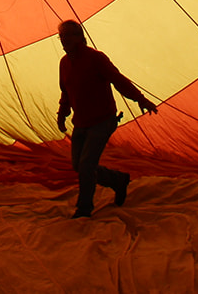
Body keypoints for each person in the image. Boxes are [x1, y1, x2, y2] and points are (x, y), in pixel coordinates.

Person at [55, 19, 157, 218]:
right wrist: (61, 114)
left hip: (102, 120)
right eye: (61, 36)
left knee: (86, 166)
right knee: (80, 166)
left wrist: (141, 100)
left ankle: (84, 210)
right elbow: (65, 91)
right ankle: (118, 180)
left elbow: (118, 81)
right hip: (81, 123)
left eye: (67, 35)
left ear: (79, 37)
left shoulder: (96, 58)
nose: (63, 40)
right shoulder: (64, 63)